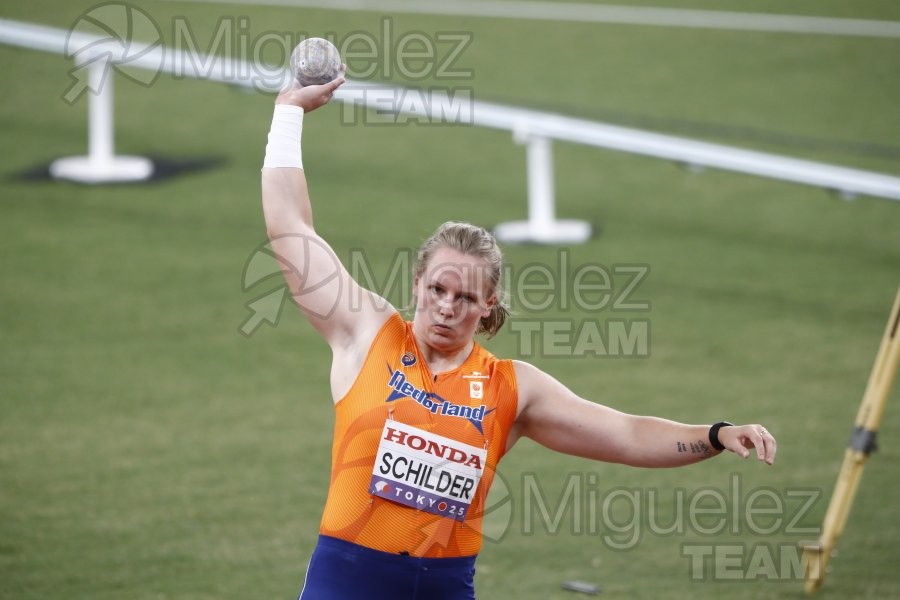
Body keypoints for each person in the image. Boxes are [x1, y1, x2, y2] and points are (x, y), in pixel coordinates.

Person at [260, 72, 777, 600]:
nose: (446, 307)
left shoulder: (512, 388)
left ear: (488, 307)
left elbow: (626, 435)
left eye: (464, 298)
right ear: (417, 283)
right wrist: (288, 112)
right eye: (438, 288)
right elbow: (290, 226)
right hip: (347, 579)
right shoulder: (365, 333)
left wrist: (716, 434)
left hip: (443, 586)